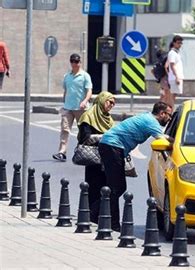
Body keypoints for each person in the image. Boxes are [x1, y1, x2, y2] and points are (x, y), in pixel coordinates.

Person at [98, 101, 172, 231]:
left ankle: (98, 216)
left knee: (115, 187)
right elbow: (162, 139)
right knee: (116, 187)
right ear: (162, 113)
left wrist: (173, 139)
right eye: (168, 115)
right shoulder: (151, 122)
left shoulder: (148, 118)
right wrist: (177, 144)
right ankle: (110, 223)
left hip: (111, 146)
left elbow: (164, 136)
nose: (169, 119)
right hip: (112, 146)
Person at [77, 92, 115, 224]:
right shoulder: (88, 116)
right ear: (101, 101)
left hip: (106, 159)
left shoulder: (108, 119)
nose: (111, 105)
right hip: (93, 160)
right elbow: (85, 138)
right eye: (109, 102)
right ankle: (91, 217)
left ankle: (102, 217)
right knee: (93, 188)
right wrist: (105, 137)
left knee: (106, 188)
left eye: (113, 103)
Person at [52, 53, 93, 162]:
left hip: (81, 109)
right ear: (70, 63)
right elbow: (66, 91)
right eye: (73, 62)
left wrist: (85, 101)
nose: (75, 64)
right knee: (64, 129)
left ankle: (83, 151)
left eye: (77, 62)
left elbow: (89, 91)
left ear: (80, 62)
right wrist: (64, 102)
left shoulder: (85, 76)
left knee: (83, 131)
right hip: (68, 108)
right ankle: (62, 152)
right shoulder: (67, 76)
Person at [167, 35, 184, 109]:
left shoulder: (176, 53)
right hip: (174, 77)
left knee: (174, 95)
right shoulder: (172, 53)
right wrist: (176, 76)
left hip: (177, 76)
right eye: (178, 43)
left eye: (181, 43)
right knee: (173, 95)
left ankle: (170, 110)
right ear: (174, 43)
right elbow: (172, 65)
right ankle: (170, 111)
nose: (180, 45)